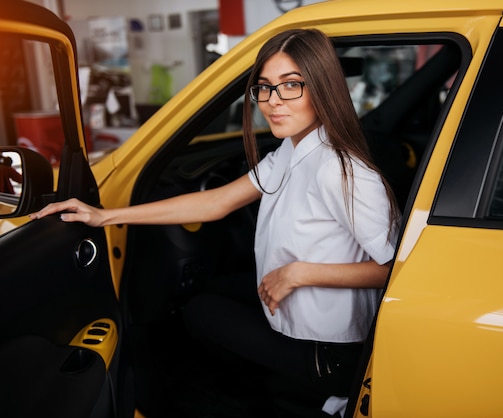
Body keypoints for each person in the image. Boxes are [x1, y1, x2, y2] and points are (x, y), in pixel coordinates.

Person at [31, 28, 400, 417]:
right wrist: (106, 216)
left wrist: (299, 273)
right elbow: (216, 202)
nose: (272, 103)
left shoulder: (342, 171)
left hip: (332, 352)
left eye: (291, 86)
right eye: (264, 88)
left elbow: (394, 269)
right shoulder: (291, 152)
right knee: (216, 291)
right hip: (300, 315)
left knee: (199, 311)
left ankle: (291, 395)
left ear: (322, 88)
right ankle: (274, 388)